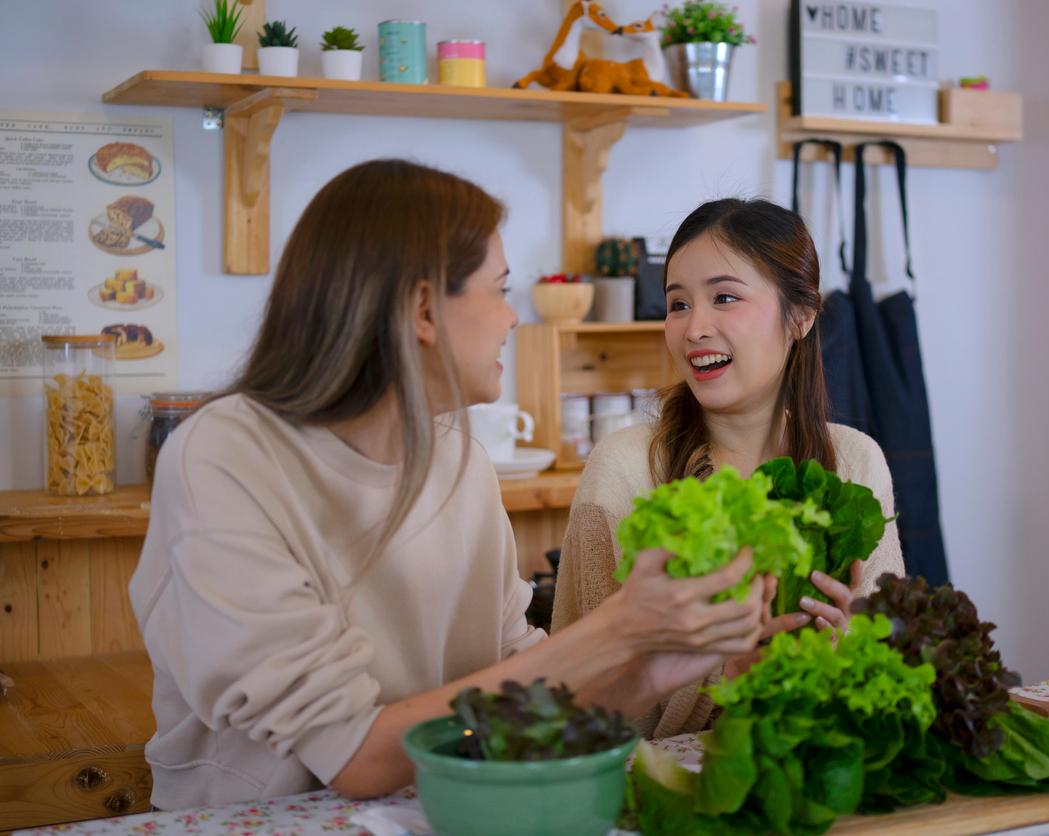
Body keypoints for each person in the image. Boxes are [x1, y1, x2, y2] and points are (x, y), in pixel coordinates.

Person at [128, 161, 768, 810]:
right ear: (425, 308)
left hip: (445, 809)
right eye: (500, 290)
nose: (512, 320)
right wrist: (619, 629)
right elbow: (353, 755)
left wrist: (652, 673)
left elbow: (517, 698)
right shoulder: (223, 458)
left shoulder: (457, 456)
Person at [551, 198, 905, 738]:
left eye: (724, 298)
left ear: (801, 316)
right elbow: (576, 702)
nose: (694, 328)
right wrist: (726, 675)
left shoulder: (855, 462)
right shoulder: (623, 471)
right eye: (677, 305)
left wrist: (846, 648)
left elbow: (892, 670)